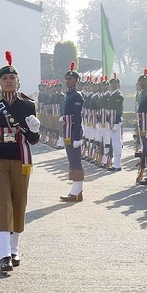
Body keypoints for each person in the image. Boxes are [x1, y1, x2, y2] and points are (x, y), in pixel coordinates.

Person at [0, 51, 41, 272]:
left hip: (20, 159)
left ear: (18, 81)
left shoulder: (27, 105)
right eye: (4, 79)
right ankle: (4, 254)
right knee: (2, 203)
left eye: (12, 78)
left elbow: (32, 140)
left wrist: (35, 130)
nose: (8, 81)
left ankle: (15, 248)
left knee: (19, 203)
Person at [59, 62, 84, 202]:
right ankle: (77, 189)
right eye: (67, 79)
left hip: (73, 132)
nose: (68, 81)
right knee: (72, 159)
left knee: (75, 160)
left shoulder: (76, 96)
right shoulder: (68, 95)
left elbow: (78, 117)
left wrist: (77, 136)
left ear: (76, 80)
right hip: (67, 131)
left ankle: (76, 190)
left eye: (71, 79)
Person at [107, 73, 124, 172]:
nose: (113, 85)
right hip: (111, 122)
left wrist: (115, 123)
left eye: (115, 83)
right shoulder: (111, 95)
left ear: (118, 85)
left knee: (117, 143)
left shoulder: (118, 96)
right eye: (112, 83)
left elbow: (117, 111)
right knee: (114, 143)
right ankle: (116, 163)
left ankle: (117, 164)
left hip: (116, 122)